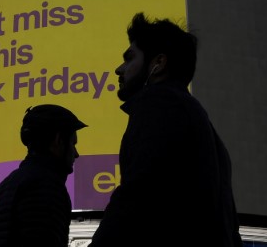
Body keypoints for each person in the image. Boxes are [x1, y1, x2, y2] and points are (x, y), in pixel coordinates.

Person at [88, 13, 242, 247]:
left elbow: (136, 196)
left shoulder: (159, 105)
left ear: (158, 63)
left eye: (129, 59)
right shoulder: (198, 120)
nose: (119, 69)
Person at [0, 104, 87, 247]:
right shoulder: (48, 187)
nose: (76, 154)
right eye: (73, 144)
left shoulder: (2, 188)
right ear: (58, 140)